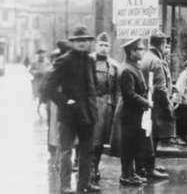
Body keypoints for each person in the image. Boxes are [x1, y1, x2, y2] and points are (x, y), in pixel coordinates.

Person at [43, 26, 99, 194]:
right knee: (66, 151)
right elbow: (49, 88)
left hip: (88, 114)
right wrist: (66, 102)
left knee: (86, 152)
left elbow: (93, 85)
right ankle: (65, 186)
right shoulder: (64, 60)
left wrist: (92, 105)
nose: (82, 43)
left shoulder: (90, 60)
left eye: (85, 40)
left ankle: (84, 184)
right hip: (69, 115)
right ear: (73, 43)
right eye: (78, 41)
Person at [115, 37, 152, 187]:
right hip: (129, 113)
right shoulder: (126, 70)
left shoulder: (134, 67)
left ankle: (131, 174)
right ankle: (125, 175)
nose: (143, 51)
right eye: (140, 49)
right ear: (132, 52)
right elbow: (129, 95)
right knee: (128, 145)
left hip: (136, 113)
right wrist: (147, 102)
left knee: (135, 143)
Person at [140, 29, 175, 180]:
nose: (167, 47)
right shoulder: (156, 61)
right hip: (155, 105)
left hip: (146, 102)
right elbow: (160, 88)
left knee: (147, 135)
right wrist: (168, 108)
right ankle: (149, 168)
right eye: (166, 44)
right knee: (153, 136)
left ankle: (146, 166)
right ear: (161, 45)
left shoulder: (146, 57)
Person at [90, 32, 119, 184]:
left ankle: (95, 165)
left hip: (107, 106)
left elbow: (117, 90)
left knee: (100, 139)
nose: (103, 48)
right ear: (96, 45)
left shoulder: (114, 65)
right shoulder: (88, 61)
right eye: (101, 45)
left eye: (106, 45)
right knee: (90, 138)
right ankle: (88, 166)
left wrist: (114, 106)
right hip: (91, 104)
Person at [29, 48, 51, 116]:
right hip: (37, 80)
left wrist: (46, 72)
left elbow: (50, 68)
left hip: (45, 80)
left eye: (43, 53)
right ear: (38, 54)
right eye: (40, 53)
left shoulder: (47, 61)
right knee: (39, 94)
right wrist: (36, 72)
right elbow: (30, 70)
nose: (41, 55)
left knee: (44, 93)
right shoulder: (34, 62)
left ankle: (42, 105)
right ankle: (39, 106)